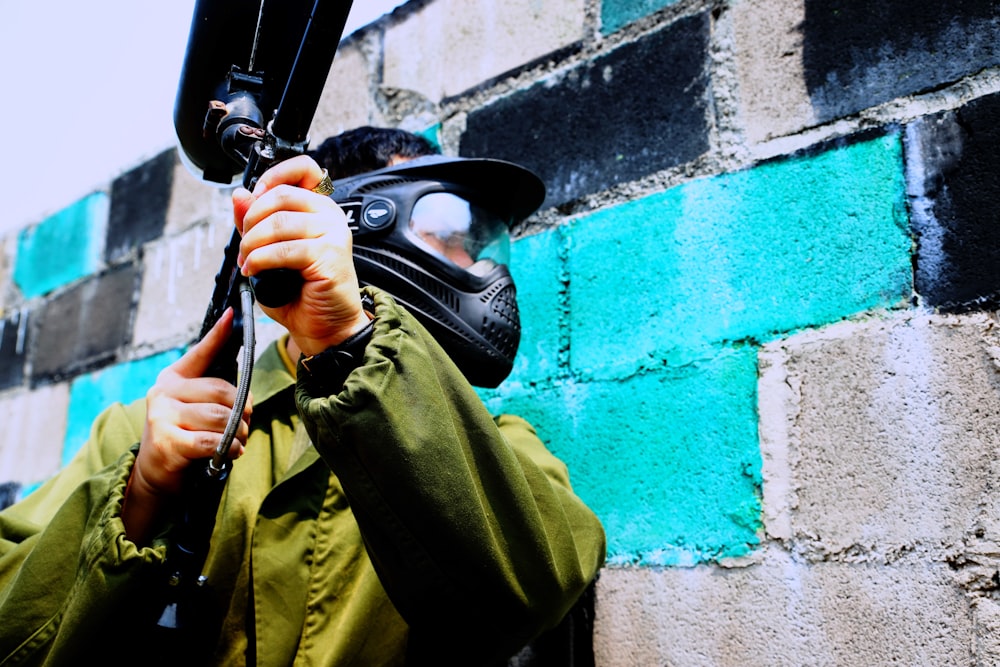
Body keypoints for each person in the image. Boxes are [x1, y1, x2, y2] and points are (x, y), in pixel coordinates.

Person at [0, 126, 606, 665]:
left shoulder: (494, 449)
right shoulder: (146, 434)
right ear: (342, 222)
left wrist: (350, 342)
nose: (472, 263)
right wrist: (141, 494)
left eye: (477, 244)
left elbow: (531, 595)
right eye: (445, 231)